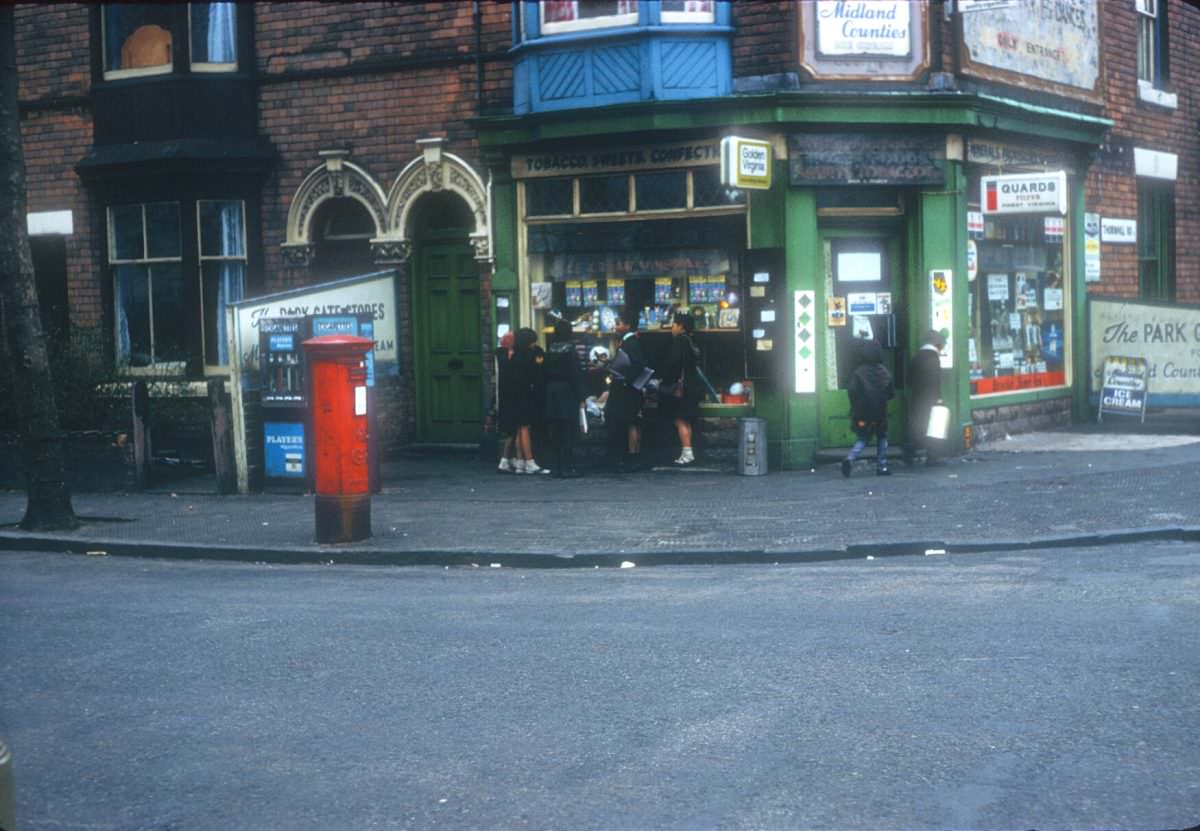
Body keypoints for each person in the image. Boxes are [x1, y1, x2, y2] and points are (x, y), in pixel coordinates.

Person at [601, 310, 648, 473]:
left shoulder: (631, 343)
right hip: (627, 389)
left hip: (627, 390)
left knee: (631, 422)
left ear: (627, 325)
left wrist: (624, 377)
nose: (616, 326)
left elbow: (637, 365)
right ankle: (628, 455)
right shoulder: (627, 341)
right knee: (628, 422)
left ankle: (631, 456)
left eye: (619, 323)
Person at [841, 338, 895, 477]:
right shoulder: (884, 372)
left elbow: (852, 390)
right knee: (882, 438)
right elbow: (890, 393)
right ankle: (881, 466)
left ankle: (850, 458)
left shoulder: (859, 372)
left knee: (863, 438)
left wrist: (856, 404)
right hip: (880, 412)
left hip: (863, 412)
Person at [657, 311, 702, 465]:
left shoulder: (679, 341)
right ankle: (688, 452)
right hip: (691, 387)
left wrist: (664, 379)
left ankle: (687, 452)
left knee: (680, 421)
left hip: (681, 388)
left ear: (681, 326)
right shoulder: (690, 341)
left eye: (674, 325)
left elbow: (674, 364)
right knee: (686, 421)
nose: (672, 328)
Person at [544, 318, 587, 478]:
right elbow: (576, 375)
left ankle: (557, 466)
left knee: (556, 431)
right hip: (567, 393)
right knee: (568, 430)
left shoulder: (550, 349)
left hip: (552, 392)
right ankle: (567, 466)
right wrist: (582, 396)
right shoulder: (571, 350)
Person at [511, 327, 550, 475]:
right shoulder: (529, 357)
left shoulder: (515, 355)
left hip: (515, 394)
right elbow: (535, 377)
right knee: (525, 427)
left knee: (520, 428)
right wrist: (539, 365)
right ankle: (529, 461)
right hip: (526, 394)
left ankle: (520, 461)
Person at [905, 329, 947, 466]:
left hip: (917, 399)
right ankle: (932, 457)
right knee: (934, 429)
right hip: (931, 400)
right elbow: (935, 381)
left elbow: (909, 380)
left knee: (919, 427)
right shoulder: (933, 358)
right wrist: (938, 398)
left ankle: (910, 451)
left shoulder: (917, 357)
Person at [495, 331, 518, 473]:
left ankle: (511, 459)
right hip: (510, 397)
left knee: (512, 431)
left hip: (505, 397)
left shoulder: (500, 356)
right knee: (513, 431)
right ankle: (505, 460)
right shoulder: (507, 356)